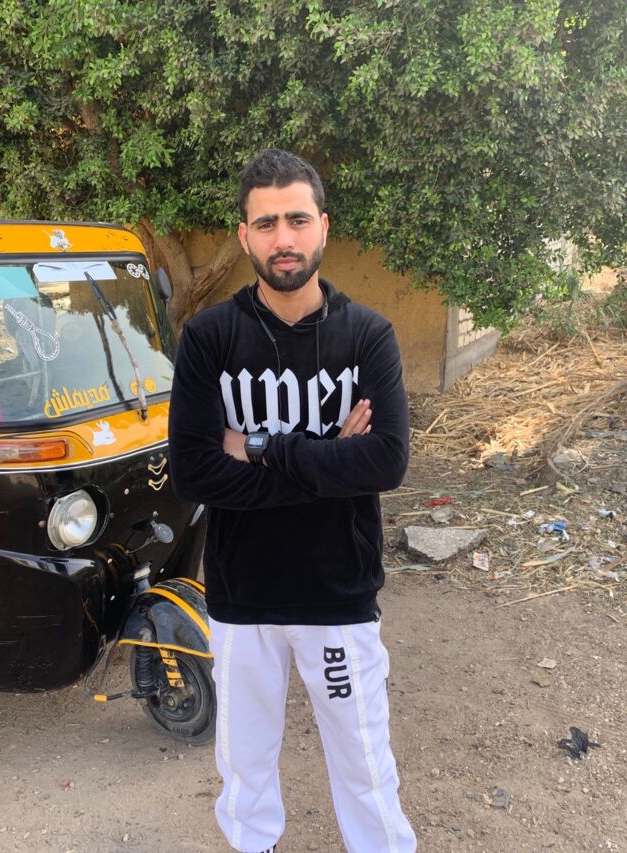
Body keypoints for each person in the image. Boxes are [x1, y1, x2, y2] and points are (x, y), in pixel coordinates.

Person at [169, 149, 417, 853]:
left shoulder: (367, 335)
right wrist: (329, 459)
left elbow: (385, 461)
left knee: (364, 764)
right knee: (244, 765)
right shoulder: (209, 338)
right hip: (242, 595)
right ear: (244, 235)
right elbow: (193, 473)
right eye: (267, 223)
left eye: (298, 220)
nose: (284, 238)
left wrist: (258, 446)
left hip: (336, 593)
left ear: (323, 227)